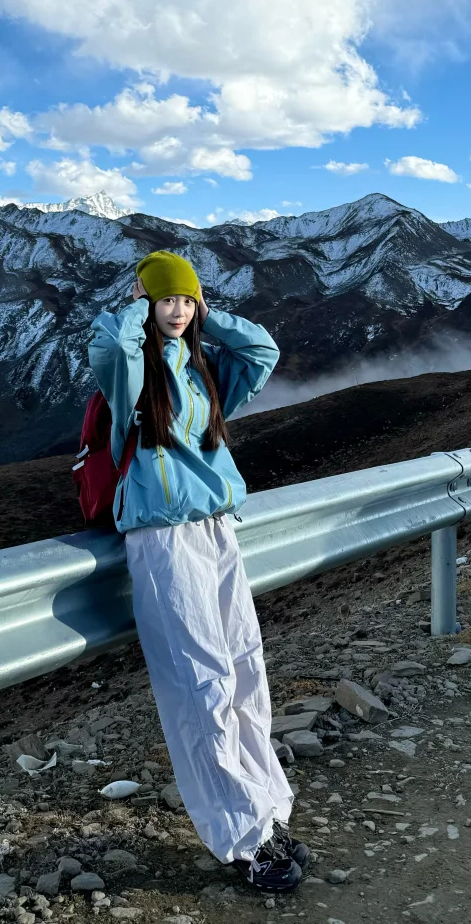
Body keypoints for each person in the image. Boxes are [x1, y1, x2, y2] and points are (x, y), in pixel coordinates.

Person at [89, 249, 308, 893]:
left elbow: (264, 352)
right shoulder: (133, 371)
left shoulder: (199, 367)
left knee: (244, 669)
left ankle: (266, 814)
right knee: (201, 683)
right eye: (168, 300)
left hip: (215, 528)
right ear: (146, 304)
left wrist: (204, 313)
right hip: (162, 538)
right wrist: (141, 302)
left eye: (186, 300)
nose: (178, 311)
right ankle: (240, 841)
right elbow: (109, 343)